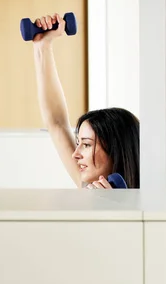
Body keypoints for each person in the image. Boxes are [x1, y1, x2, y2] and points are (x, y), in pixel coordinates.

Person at [32, 13, 140, 189]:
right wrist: (42, 45)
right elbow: (56, 123)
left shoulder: (151, 199)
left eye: (87, 144)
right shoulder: (88, 186)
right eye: (78, 143)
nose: (75, 154)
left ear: (117, 150)